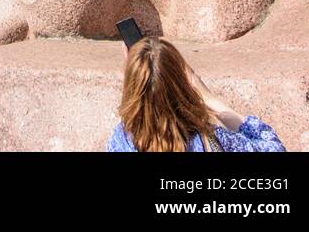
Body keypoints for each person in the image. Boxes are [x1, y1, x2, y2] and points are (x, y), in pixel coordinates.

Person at [107, 37, 285, 152]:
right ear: (184, 85)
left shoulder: (121, 142)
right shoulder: (212, 142)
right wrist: (209, 98)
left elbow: (143, 106)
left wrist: (136, 72)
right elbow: (274, 148)